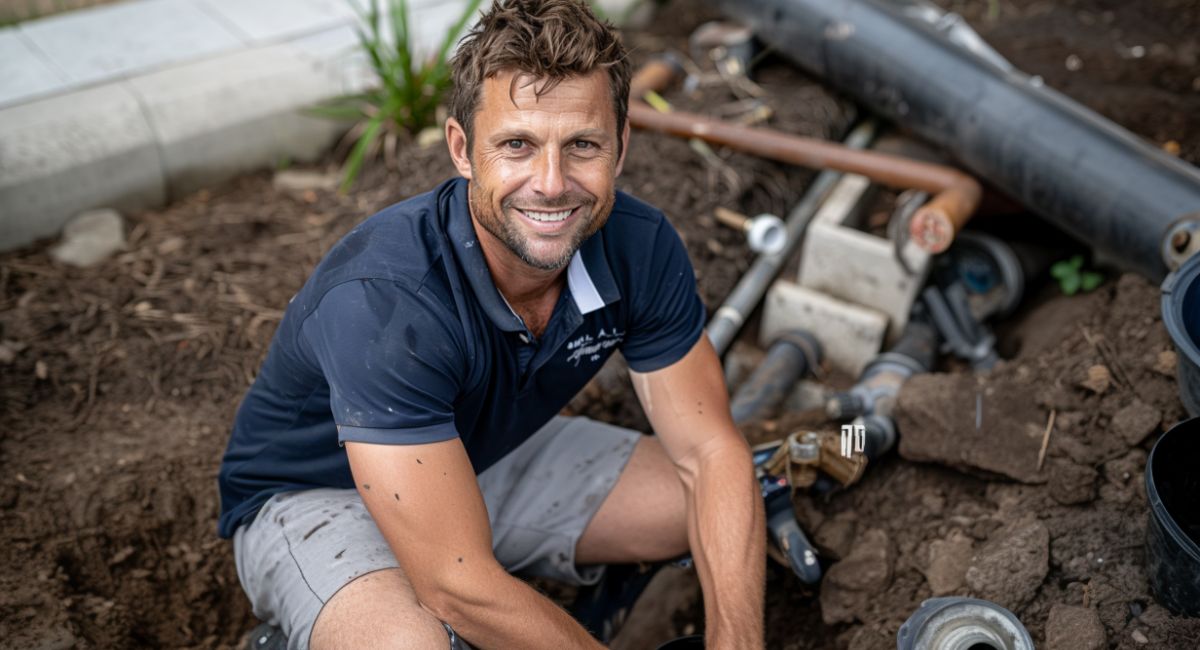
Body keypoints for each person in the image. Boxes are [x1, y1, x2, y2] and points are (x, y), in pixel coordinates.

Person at [217, 0, 765, 647]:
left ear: (620, 149)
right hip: (314, 497)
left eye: (582, 145)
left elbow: (709, 453)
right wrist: (462, 587)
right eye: (517, 146)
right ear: (462, 149)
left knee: (710, 505)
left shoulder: (636, 246)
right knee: (413, 642)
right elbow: (454, 580)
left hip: (473, 453)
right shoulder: (388, 301)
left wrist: (738, 639)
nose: (552, 184)